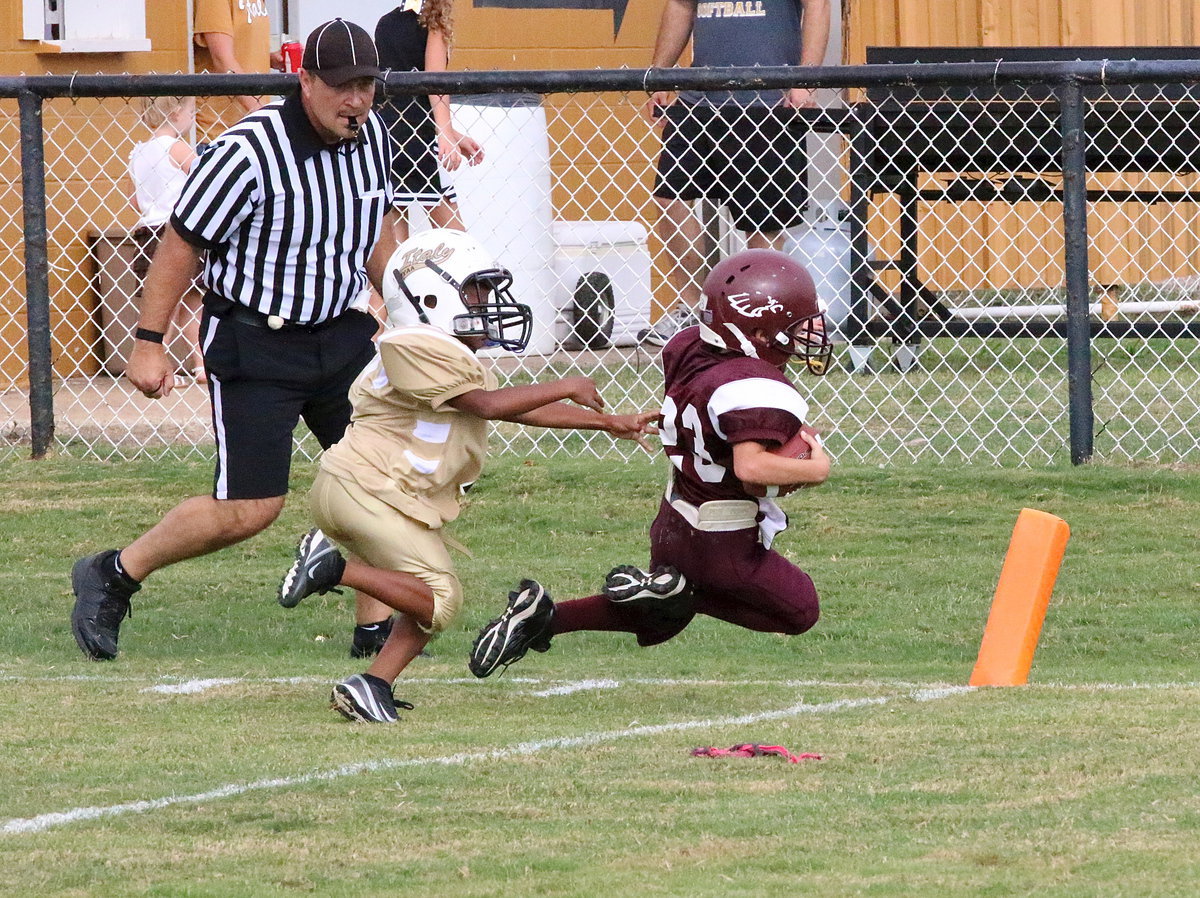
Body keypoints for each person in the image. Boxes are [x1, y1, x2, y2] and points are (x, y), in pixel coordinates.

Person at [70, 19, 401, 662]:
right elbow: (181, 241)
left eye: (366, 86)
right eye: (341, 86)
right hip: (257, 341)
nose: (356, 100)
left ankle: (375, 627)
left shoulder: (373, 137)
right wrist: (148, 340)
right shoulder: (249, 149)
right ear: (305, 80)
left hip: (342, 336)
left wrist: (416, 309)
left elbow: (379, 226)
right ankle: (113, 572)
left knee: (378, 478)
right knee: (250, 508)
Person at [276, 228, 657, 723]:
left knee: (431, 600)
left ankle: (371, 686)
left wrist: (606, 423)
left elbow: (513, 410)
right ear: (428, 296)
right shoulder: (414, 343)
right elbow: (489, 404)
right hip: (367, 490)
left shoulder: (442, 350)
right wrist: (567, 380)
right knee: (439, 598)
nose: (488, 303)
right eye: (475, 291)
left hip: (376, 493)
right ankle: (332, 568)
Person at [468, 249, 833, 679]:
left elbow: (706, 409)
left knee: (662, 618)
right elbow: (751, 468)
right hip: (723, 534)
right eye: (795, 324)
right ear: (759, 329)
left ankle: (543, 618)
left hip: (675, 521)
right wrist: (816, 469)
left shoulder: (688, 347)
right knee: (800, 610)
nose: (810, 331)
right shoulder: (756, 386)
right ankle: (676, 590)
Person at [638, 0, 831, 346]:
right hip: (700, 98)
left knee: (763, 223)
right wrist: (661, 74)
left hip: (768, 102)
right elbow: (681, 7)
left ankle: (754, 322)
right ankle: (694, 309)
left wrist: (804, 80)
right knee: (669, 196)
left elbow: (817, 7)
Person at [374, 0, 484, 243]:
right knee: (456, 240)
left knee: (394, 246)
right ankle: (470, 279)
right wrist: (445, 136)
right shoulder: (434, 24)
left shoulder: (385, 24)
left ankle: (391, 281)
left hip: (388, 136)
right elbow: (435, 84)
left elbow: (405, 100)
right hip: (418, 143)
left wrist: (453, 134)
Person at [127, 95, 205, 382]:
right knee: (193, 303)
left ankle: (151, 356)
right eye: (190, 111)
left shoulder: (138, 153)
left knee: (161, 303)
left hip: (146, 231)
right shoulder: (177, 148)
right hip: (177, 231)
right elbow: (203, 179)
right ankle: (201, 364)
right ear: (175, 114)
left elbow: (134, 200)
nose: (193, 117)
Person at [193, 0, 282, 144]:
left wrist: (270, 59)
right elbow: (222, 59)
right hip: (218, 131)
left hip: (252, 128)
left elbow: (242, 47)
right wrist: (262, 114)